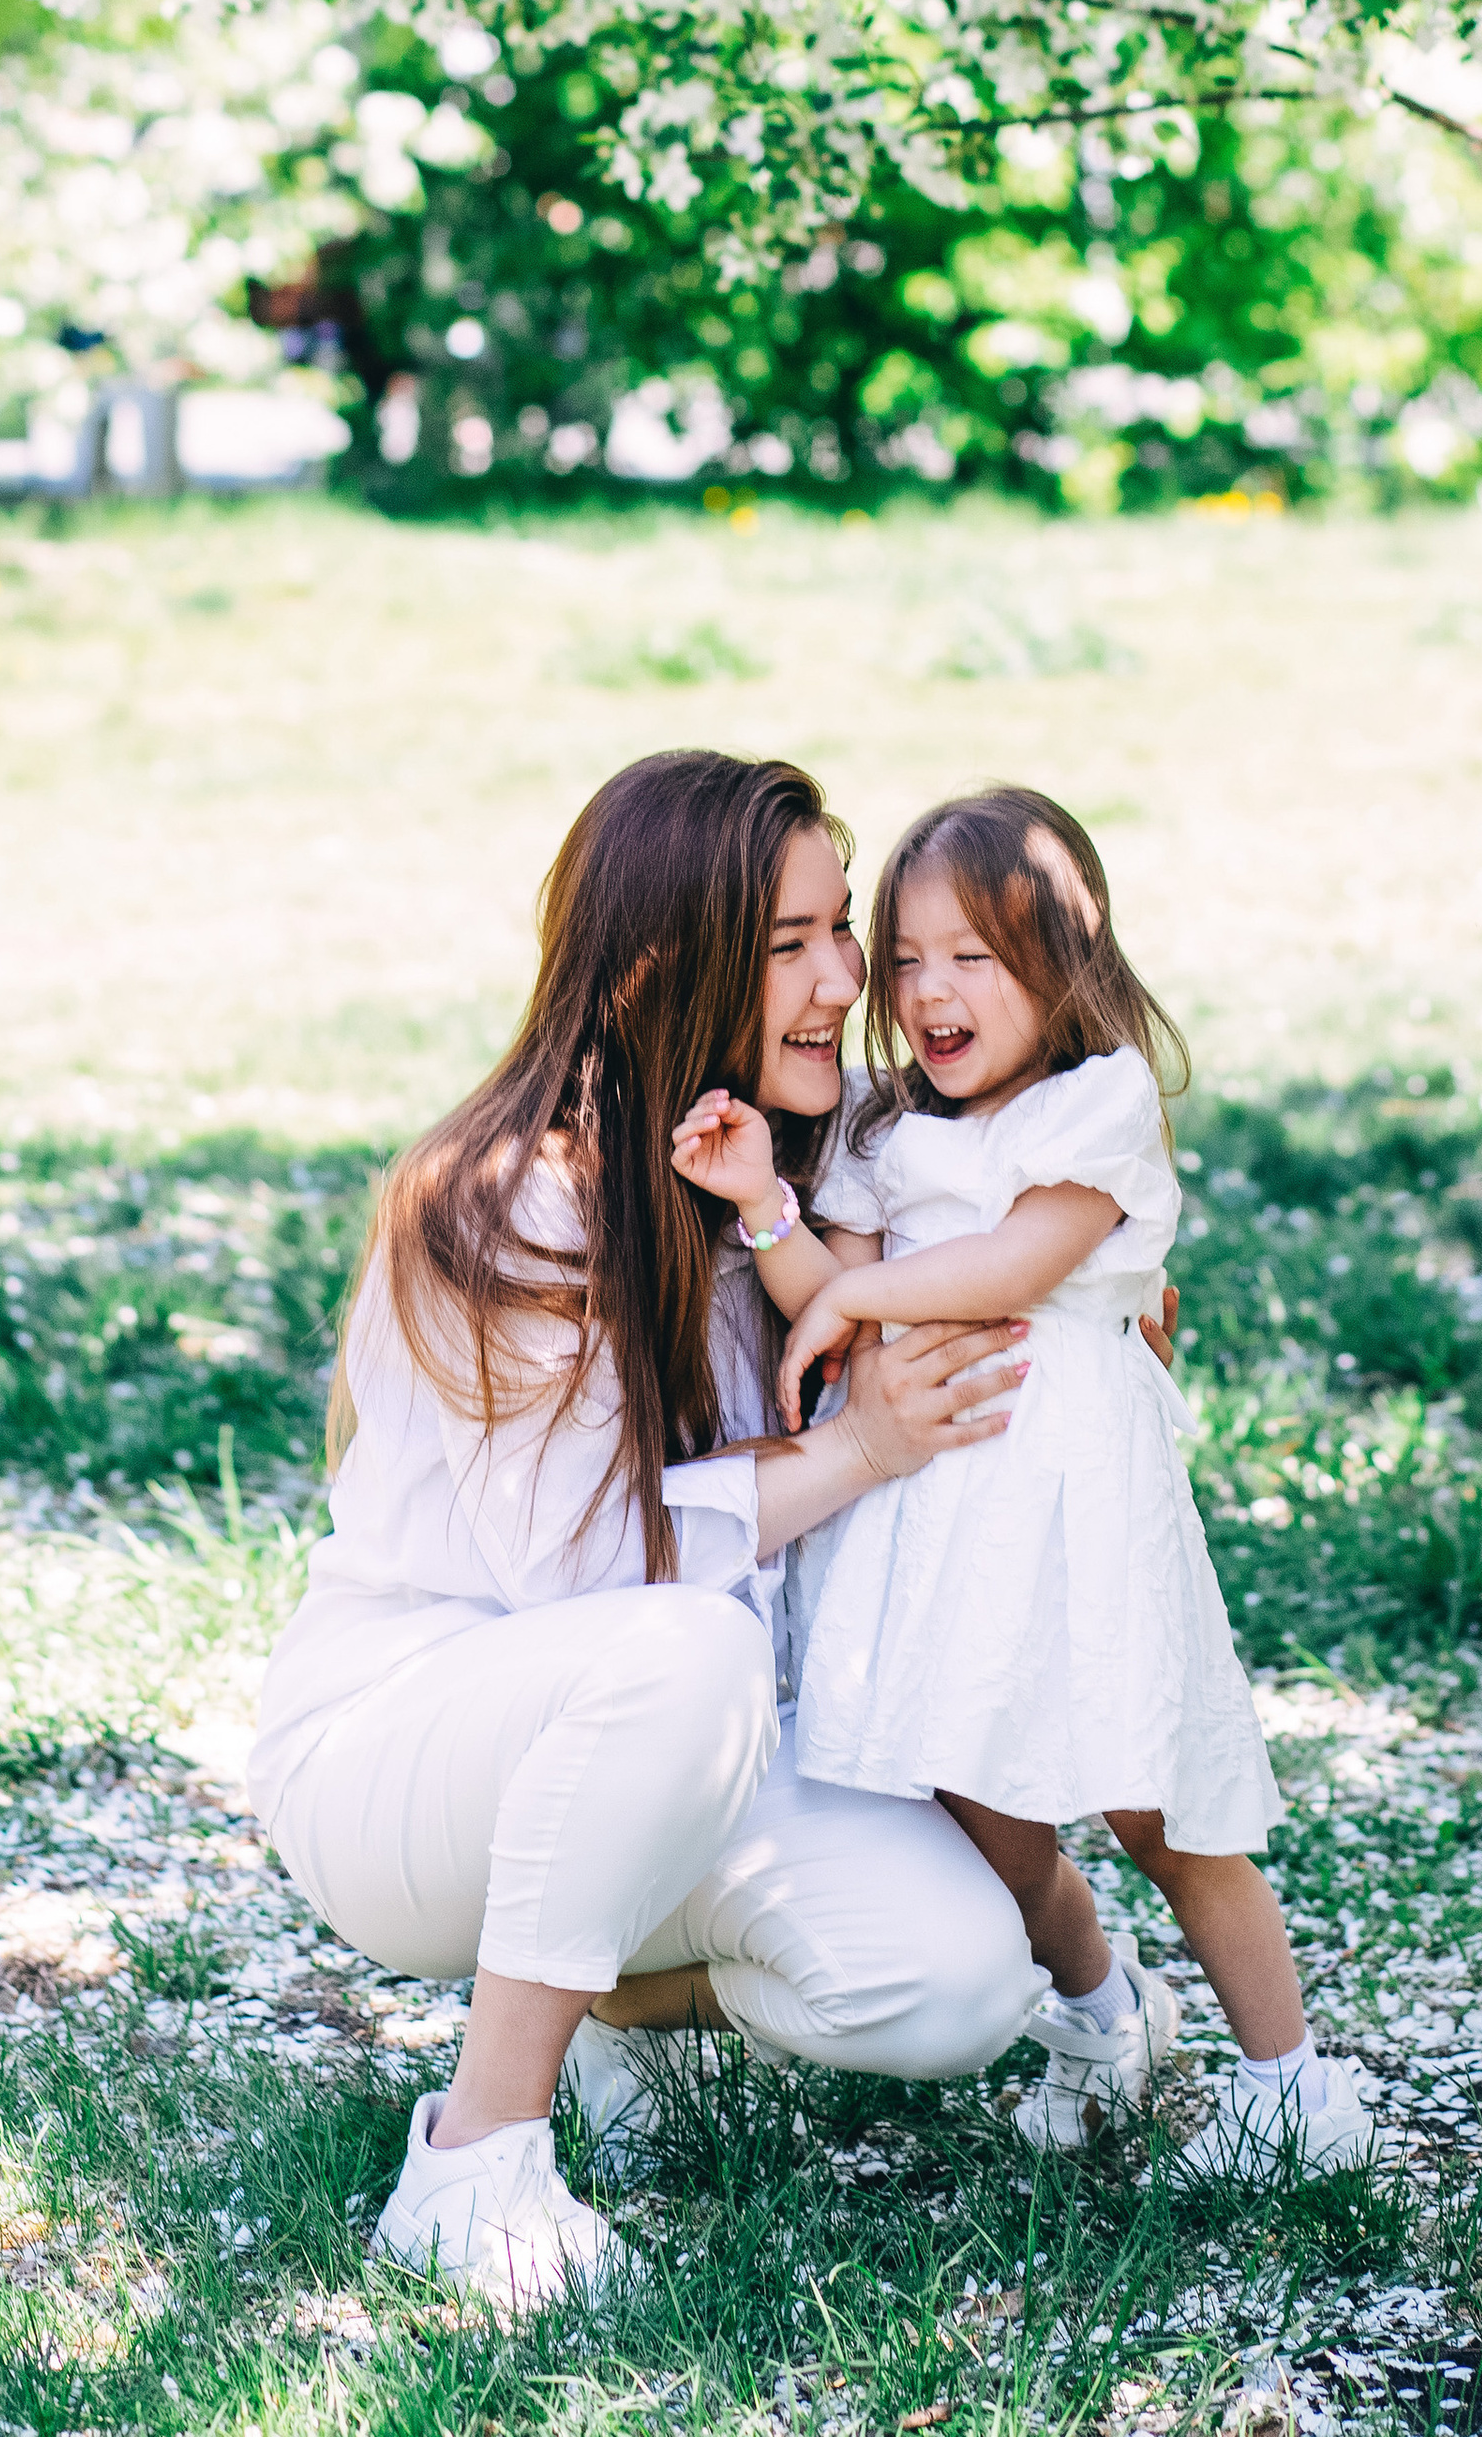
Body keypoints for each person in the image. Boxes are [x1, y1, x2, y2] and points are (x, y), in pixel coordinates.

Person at [247, 751, 1046, 2314]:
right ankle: (477, 2162)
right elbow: (588, 1574)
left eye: (841, 932)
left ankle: (611, 2007)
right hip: (409, 1759)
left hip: (681, 1748)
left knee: (959, 1983)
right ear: (657, 967)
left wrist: (1093, 1298)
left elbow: (1024, 1207)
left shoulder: (785, 1176)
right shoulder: (503, 1200)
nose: (841, 983)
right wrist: (857, 1448)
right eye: (789, 945)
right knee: (676, 1647)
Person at [672, 784, 1370, 2174]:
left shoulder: (1097, 1113)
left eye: (972, 958)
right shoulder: (884, 1135)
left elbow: (1014, 1264)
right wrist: (769, 1213)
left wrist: (850, 1314)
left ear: (1067, 955)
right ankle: (1101, 2016)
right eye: (909, 957)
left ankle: (1296, 2091)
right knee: (980, 1804)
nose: (929, 992)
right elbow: (834, 1282)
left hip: (1080, 1519)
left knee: (1162, 1813)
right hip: (939, 1530)